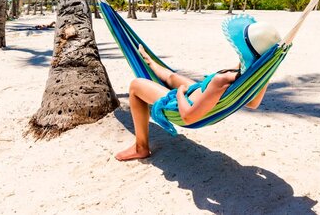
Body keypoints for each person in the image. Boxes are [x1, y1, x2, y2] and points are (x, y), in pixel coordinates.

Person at [115, 15, 281, 161]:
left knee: (136, 86)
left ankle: (141, 148)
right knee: (172, 76)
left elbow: (187, 117)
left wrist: (179, 93)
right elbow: (252, 103)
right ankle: (149, 61)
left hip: (183, 104)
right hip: (198, 91)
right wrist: (265, 73)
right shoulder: (250, 75)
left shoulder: (221, 80)